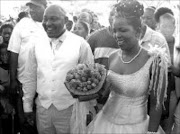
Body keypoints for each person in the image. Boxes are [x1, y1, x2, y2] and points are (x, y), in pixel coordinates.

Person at [87, 0, 168, 133]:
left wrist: (151, 132)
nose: (117, 35)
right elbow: (107, 92)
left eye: (123, 30)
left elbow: (156, 105)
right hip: (105, 123)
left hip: (137, 126)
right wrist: (91, 91)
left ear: (138, 31)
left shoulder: (155, 60)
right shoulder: (112, 56)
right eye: (114, 30)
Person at [23, 4, 94, 134]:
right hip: (43, 109)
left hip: (70, 109)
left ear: (66, 21)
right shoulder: (36, 44)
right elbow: (30, 77)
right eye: (45, 19)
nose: (48, 23)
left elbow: (89, 81)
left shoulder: (81, 44)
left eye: (53, 18)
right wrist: (27, 106)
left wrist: (88, 110)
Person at [7, 0, 47, 133]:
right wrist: (13, 79)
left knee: (42, 119)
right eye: (30, 7)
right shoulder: (22, 24)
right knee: (25, 118)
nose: (32, 10)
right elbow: (14, 52)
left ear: (45, 7)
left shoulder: (51, 25)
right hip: (24, 81)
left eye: (36, 7)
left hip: (46, 82)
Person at [87, 6, 119, 112]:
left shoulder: (132, 40)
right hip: (97, 100)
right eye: (111, 14)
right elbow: (84, 66)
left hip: (120, 100)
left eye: (117, 14)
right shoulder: (94, 38)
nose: (113, 17)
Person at [155, 9, 178, 133]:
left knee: (167, 125)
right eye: (164, 26)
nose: (167, 29)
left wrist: (174, 69)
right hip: (155, 92)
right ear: (158, 26)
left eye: (170, 26)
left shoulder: (177, 44)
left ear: (175, 27)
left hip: (173, 92)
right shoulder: (154, 43)